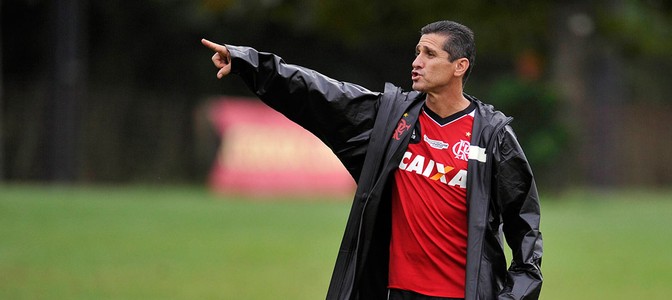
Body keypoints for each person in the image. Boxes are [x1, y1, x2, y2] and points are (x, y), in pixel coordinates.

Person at [202, 20, 543, 300]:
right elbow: (320, 93)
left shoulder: (493, 135)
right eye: (416, 52)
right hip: (393, 291)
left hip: (461, 294)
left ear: (459, 66)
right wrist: (251, 63)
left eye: (429, 54)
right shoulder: (391, 117)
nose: (416, 62)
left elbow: (524, 226)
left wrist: (514, 297)